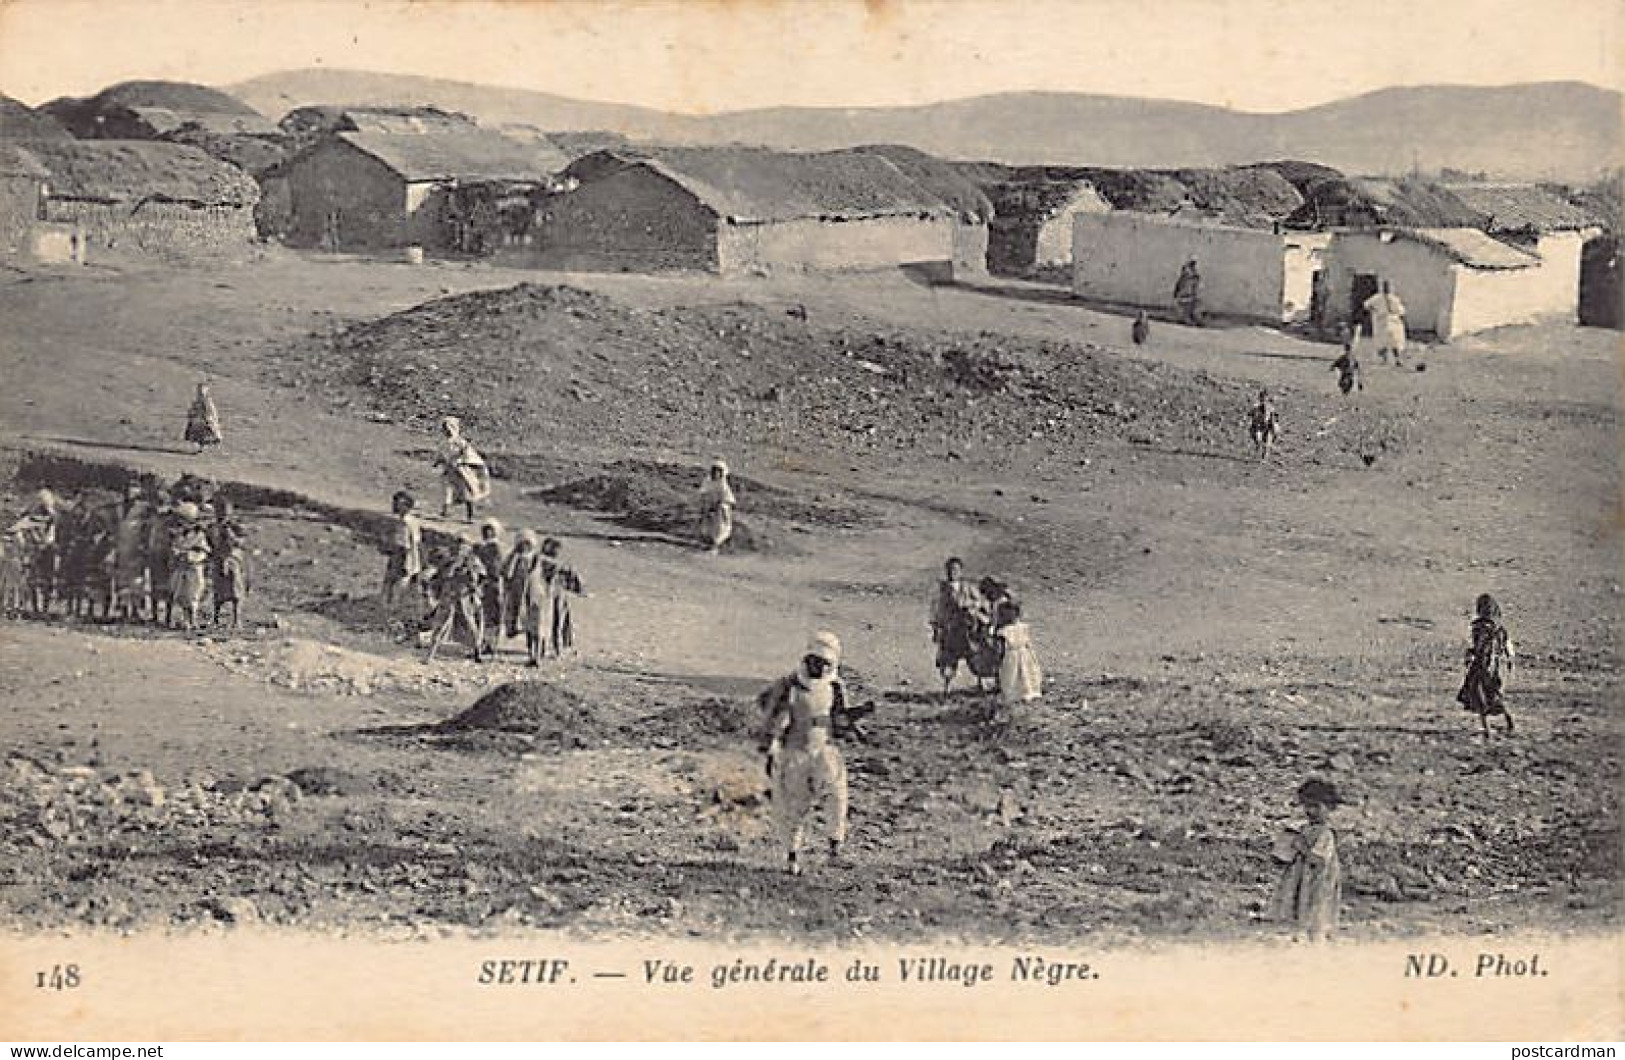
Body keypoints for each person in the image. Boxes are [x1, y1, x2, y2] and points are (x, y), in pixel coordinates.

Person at [755, 632, 851, 876]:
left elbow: (840, 720)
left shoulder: (835, 688)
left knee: (837, 797)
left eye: (825, 663)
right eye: (815, 661)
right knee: (794, 807)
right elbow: (770, 715)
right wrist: (770, 747)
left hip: (824, 751)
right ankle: (792, 857)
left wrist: (849, 724)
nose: (819, 667)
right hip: (794, 753)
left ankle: (834, 848)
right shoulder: (788, 687)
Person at [1270, 778, 1344, 943]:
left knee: (1317, 911)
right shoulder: (1304, 829)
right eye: (1307, 806)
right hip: (1302, 880)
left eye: (1316, 806)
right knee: (1300, 906)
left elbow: (1319, 860)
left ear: (1329, 808)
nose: (1310, 811)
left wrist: (1301, 847)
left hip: (1318, 882)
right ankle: (1302, 935)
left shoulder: (1326, 834)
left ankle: (1318, 940)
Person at [1457, 593, 1516, 738]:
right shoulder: (1500, 629)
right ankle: (1509, 720)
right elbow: (1509, 649)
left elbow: (1476, 646)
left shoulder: (1479, 627)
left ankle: (1487, 729)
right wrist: (1509, 663)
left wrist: (1470, 655)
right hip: (1495, 667)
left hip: (1481, 666)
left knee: (1478, 695)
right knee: (1494, 694)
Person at [424, 538, 488, 663]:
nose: (460, 548)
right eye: (458, 545)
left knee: (470, 623)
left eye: (463, 545)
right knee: (440, 623)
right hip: (448, 595)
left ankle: (477, 651)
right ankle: (430, 654)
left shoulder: (473, 561)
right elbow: (440, 575)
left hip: (464, 596)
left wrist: (473, 583)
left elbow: (481, 577)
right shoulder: (448, 560)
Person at [930, 557, 986, 694]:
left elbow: (979, 602)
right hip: (950, 629)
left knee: (974, 654)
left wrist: (969, 606)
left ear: (960, 571)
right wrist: (936, 628)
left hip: (967, 628)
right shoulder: (941, 591)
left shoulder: (968, 587)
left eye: (955, 569)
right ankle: (947, 687)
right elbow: (935, 610)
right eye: (949, 570)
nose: (952, 572)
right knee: (948, 658)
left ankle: (980, 683)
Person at [502, 529, 548, 666]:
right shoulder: (515, 558)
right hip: (520, 596)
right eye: (521, 544)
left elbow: (538, 574)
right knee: (527, 626)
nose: (524, 547)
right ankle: (531, 654)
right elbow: (505, 572)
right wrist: (513, 555)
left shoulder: (537, 558)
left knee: (537, 626)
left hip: (536, 597)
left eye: (527, 544)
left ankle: (538, 655)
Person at [433, 416, 491, 522]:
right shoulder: (444, 443)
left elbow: (467, 453)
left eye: (449, 428)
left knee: (467, 492)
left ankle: (470, 515)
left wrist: (462, 459)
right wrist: (438, 462)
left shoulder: (460, 442)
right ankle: (445, 511)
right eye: (445, 429)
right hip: (449, 471)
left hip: (461, 471)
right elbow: (441, 454)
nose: (447, 431)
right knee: (447, 491)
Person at [380, 490, 424, 628]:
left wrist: (401, 564)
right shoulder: (413, 521)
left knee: (396, 590)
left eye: (398, 503)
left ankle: (394, 620)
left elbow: (403, 546)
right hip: (411, 561)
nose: (394, 506)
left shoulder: (404, 523)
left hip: (402, 560)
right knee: (406, 591)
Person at [167, 501, 213, 632]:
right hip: (181, 568)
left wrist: (192, 555)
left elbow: (204, 551)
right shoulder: (178, 536)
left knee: (193, 595)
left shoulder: (199, 536)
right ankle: (184, 620)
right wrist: (178, 554)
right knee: (181, 594)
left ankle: (193, 620)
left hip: (194, 568)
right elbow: (174, 549)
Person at [539, 537, 586, 658]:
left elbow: (574, 577)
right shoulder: (545, 561)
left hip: (555, 595)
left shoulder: (547, 561)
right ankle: (553, 648)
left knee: (557, 622)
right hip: (549, 595)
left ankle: (555, 647)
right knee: (553, 622)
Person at [112, 483, 151, 621]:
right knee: (121, 579)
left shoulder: (143, 509)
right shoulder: (118, 508)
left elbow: (147, 528)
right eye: (128, 491)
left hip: (136, 547)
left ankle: (135, 610)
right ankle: (122, 609)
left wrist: (144, 545)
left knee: (136, 581)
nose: (130, 494)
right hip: (121, 547)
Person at [993, 600, 1043, 706]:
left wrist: (1032, 656)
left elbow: (1027, 642)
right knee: (1014, 676)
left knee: (1024, 674)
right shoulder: (1005, 631)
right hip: (1014, 655)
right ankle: (1018, 695)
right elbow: (1000, 648)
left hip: (1020, 655)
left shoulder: (1020, 628)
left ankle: (1023, 694)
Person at [209, 496, 248, 630]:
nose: (222, 513)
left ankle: (237, 620)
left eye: (225, 510)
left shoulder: (235, 525)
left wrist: (230, 533)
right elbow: (210, 542)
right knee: (218, 589)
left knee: (235, 588)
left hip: (233, 558)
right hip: (218, 559)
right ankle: (216, 619)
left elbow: (242, 542)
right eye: (219, 510)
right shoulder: (212, 526)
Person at [472, 519, 507, 656]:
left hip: (493, 583)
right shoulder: (481, 547)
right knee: (483, 613)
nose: (487, 533)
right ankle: (485, 642)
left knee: (492, 613)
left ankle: (491, 644)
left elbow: (497, 567)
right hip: (482, 583)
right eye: (485, 531)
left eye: (490, 531)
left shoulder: (496, 548)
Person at [1364, 280, 1407, 366]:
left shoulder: (1395, 299)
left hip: (1394, 321)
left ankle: (1397, 359)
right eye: (1385, 286)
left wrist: (1399, 316)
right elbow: (1366, 304)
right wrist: (1374, 311)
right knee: (1382, 341)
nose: (1387, 288)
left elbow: (1401, 311)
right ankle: (1384, 359)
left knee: (1395, 341)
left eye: (1388, 287)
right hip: (1381, 321)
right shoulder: (1377, 298)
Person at [696, 460, 736, 555]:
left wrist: (718, 506)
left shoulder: (723, 485)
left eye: (719, 471)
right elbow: (703, 493)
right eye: (714, 470)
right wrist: (706, 506)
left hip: (720, 510)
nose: (716, 473)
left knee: (720, 526)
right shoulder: (708, 481)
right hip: (709, 506)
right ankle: (707, 541)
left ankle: (716, 546)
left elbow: (728, 500)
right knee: (705, 524)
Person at [1249, 389, 1281, 461]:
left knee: (1267, 444)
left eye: (1265, 398)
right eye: (1262, 398)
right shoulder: (1256, 407)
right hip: (1258, 427)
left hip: (1268, 427)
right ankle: (1259, 449)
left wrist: (1274, 425)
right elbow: (1250, 414)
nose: (1263, 400)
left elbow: (1274, 417)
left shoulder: (1270, 408)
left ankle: (1264, 458)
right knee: (1258, 440)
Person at [1330, 325, 1362, 396]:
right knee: (1342, 382)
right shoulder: (1346, 357)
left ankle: (1345, 392)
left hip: (1348, 373)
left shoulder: (1350, 357)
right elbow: (1337, 362)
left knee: (1347, 382)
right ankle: (1344, 391)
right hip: (1345, 373)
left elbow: (1356, 366)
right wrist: (1333, 366)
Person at [1173, 260, 1203, 326]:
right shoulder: (1187, 276)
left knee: (1194, 306)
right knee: (1187, 308)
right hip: (1185, 297)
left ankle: (1192, 319)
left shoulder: (1194, 277)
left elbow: (1195, 288)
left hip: (1189, 297)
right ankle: (1187, 319)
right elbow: (1179, 287)